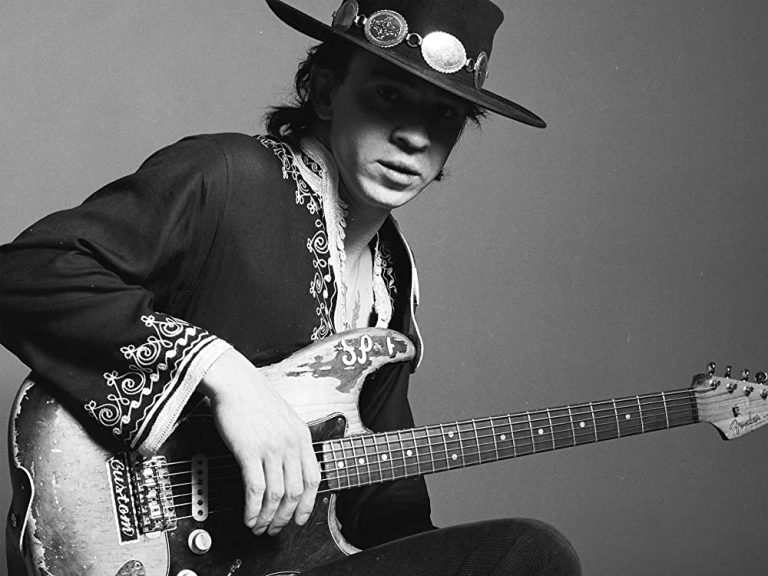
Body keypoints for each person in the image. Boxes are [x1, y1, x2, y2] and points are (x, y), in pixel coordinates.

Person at [0, 0, 580, 574]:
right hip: (145, 551)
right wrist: (226, 378)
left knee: (525, 555)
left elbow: (387, 507)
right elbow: (24, 272)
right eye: (388, 94)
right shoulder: (227, 175)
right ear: (326, 91)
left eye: (445, 115)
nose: (414, 137)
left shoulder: (393, 275)